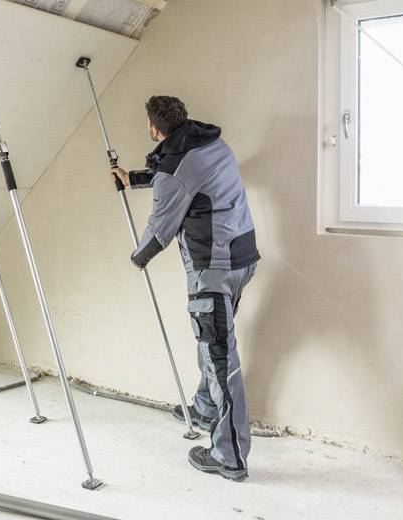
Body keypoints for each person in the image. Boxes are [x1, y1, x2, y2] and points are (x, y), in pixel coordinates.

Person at [111, 96, 260, 482]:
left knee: (221, 360)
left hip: (212, 268)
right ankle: (205, 408)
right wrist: (136, 179)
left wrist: (136, 258)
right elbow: (188, 181)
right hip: (242, 259)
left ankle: (230, 458)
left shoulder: (176, 169)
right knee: (214, 347)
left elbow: (160, 229)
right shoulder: (210, 141)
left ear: (155, 128)